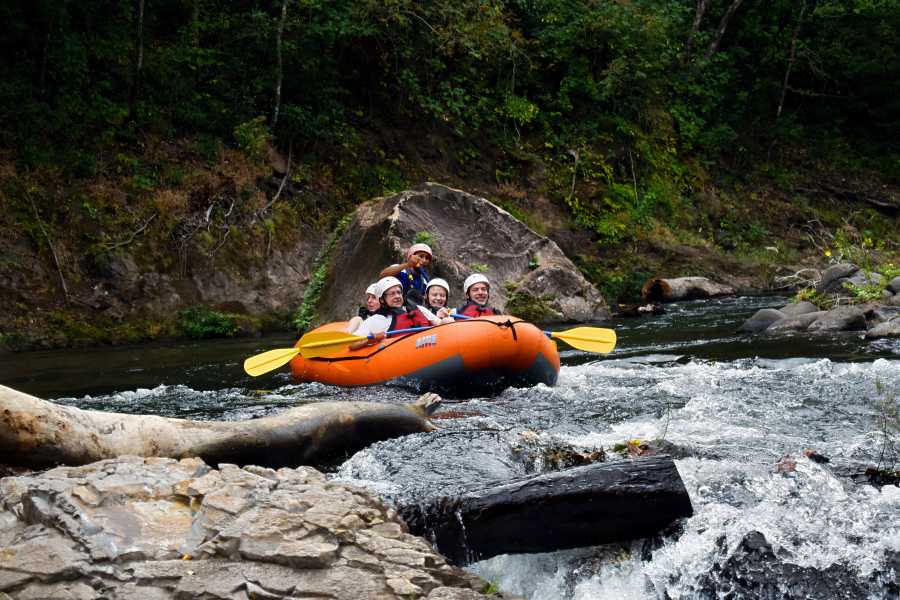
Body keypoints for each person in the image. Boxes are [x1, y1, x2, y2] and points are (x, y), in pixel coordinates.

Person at [350, 276, 442, 349]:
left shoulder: (418, 309)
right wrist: (370, 340)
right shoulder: (375, 320)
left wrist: (446, 319)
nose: (397, 296)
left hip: (429, 347)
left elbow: (441, 324)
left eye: (399, 292)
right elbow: (352, 344)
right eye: (392, 294)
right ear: (382, 300)